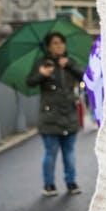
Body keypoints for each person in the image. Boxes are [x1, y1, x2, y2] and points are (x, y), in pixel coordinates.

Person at [27, 32, 84, 197]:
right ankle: (49, 185)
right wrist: (42, 74)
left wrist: (70, 66)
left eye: (61, 43)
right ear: (49, 46)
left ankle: (71, 182)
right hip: (50, 116)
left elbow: (85, 77)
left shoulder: (69, 62)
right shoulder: (43, 64)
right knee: (50, 152)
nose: (59, 46)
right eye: (55, 43)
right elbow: (30, 82)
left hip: (69, 114)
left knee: (69, 151)